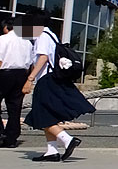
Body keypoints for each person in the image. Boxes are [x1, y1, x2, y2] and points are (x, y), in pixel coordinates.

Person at [22, 16, 93, 161]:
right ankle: (51, 150)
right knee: (48, 115)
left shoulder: (42, 36)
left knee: (40, 115)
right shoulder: (51, 35)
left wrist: (29, 79)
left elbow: (43, 57)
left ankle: (67, 140)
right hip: (53, 79)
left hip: (46, 80)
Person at [0, 18, 33, 147]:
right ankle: (11, 138)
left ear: (5, 28)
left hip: (4, 73)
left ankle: (1, 134)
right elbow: (31, 62)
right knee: (15, 107)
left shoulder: (3, 39)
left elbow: (0, 59)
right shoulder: (27, 42)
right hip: (22, 74)